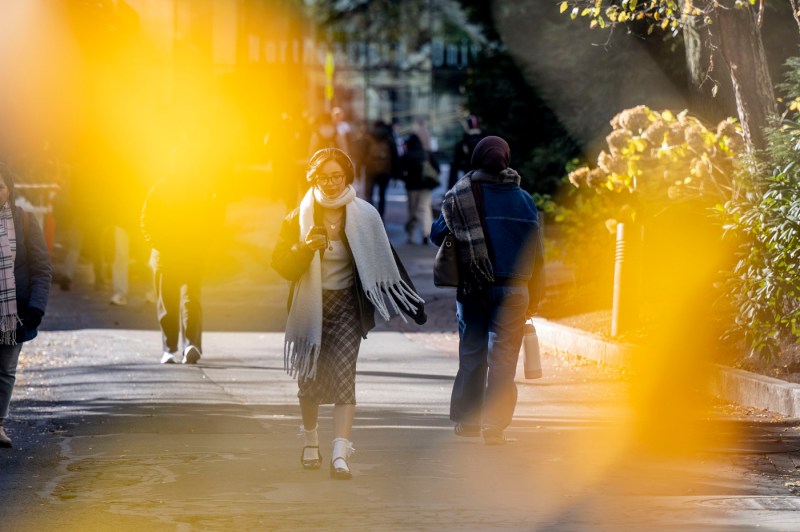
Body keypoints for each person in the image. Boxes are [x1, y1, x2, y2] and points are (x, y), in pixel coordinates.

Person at [271, 148, 426, 479]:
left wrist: (414, 305)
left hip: (347, 307)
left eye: (336, 176)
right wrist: (304, 248)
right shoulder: (298, 217)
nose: (330, 183)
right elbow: (281, 265)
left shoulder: (365, 215)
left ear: (347, 177)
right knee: (309, 381)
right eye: (323, 177)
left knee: (344, 376)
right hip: (311, 306)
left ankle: (340, 454)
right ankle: (311, 440)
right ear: (313, 179)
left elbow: (388, 261)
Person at [430, 136, 544, 445]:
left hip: (473, 288)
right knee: (504, 360)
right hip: (515, 290)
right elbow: (537, 254)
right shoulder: (524, 199)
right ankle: (494, 426)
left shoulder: (460, 195)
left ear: (477, 159)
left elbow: (436, 234)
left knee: (472, 353)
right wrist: (536, 294)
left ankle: (469, 422)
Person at [140, 151, 224, 365]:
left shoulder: (197, 189)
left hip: (188, 254)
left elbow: (214, 216)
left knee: (185, 300)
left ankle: (185, 346)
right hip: (170, 255)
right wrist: (158, 244)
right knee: (176, 301)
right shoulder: (162, 189)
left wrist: (205, 242)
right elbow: (146, 220)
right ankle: (174, 347)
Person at [0, 162, 52, 448]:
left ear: (9, 189)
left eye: (0, 187)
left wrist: (36, 308)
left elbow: (41, 269)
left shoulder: (26, 221)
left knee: (5, 370)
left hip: (13, 313)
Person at [400, 133, 439, 245]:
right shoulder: (426, 153)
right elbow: (437, 168)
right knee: (425, 209)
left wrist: (406, 179)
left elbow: (399, 170)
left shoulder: (407, 155)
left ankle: (411, 236)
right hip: (426, 186)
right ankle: (426, 233)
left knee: (412, 211)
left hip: (412, 187)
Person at [360, 120, 398, 219]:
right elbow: (395, 155)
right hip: (385, 171)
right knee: (382, 195)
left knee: (369, 194)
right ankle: (381, 217)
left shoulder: (369, 136)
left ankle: (370, 216)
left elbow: (362, 154)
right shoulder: (389, 136)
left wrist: (359, 170)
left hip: (370, 169)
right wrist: (395, 173)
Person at [448, 115, 484, 190]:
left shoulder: (462, 143)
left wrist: (450, 189)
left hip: (469, 179)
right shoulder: (486, 140)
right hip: (486, 181)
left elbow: (455, 165)